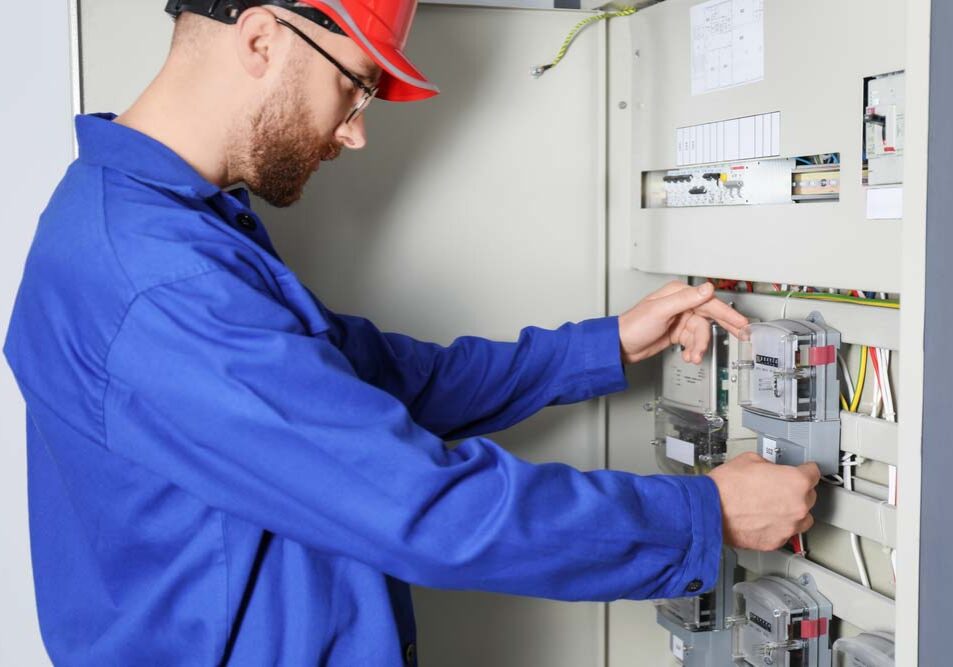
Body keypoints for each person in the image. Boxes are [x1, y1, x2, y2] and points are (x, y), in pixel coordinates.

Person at [3, 1, 819, 665]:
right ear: (259, 38)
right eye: (354, 88)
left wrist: (601, 345)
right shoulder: (159, 278)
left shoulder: (164, 226)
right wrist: (699, 514)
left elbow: (379, 382)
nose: (353, 132)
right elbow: (423, 506)